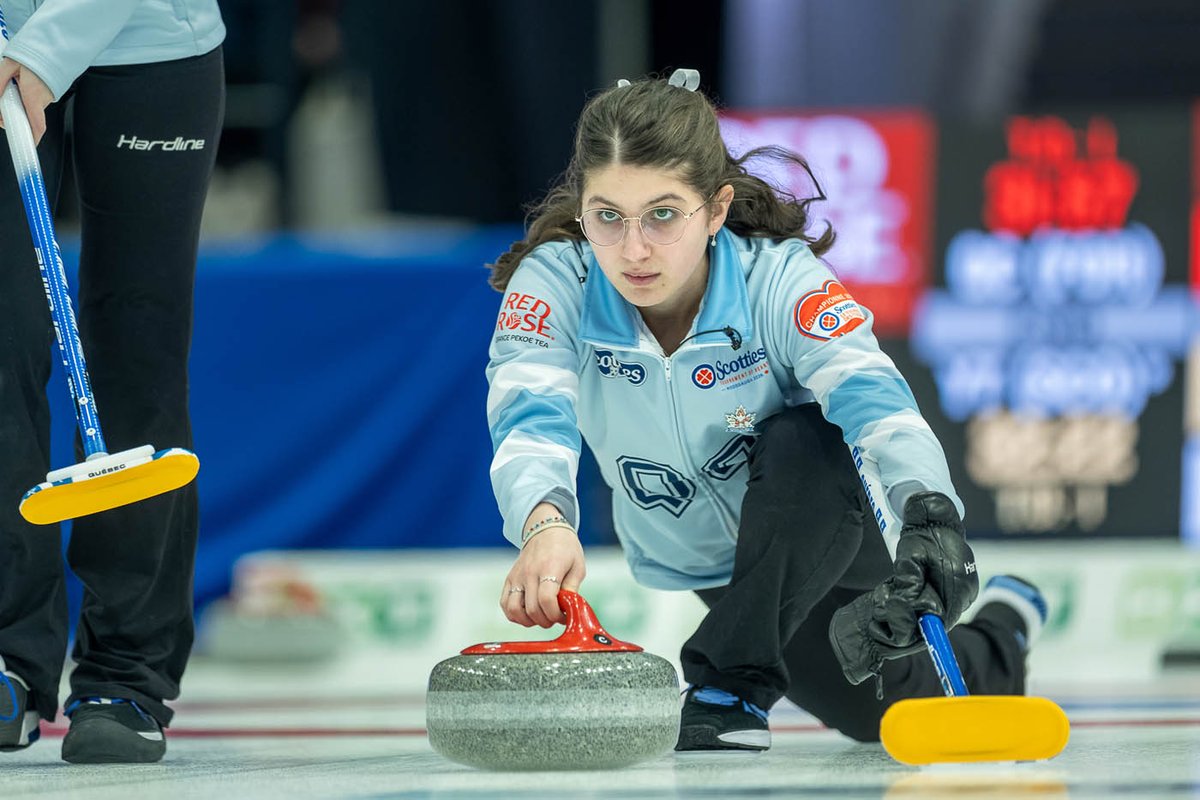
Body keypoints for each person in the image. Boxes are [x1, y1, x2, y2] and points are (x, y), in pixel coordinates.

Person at [485, 69, 1048, 752]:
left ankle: (731, 683)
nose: (633, 249)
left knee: (801, 435)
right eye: (608, 216)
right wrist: (543, 521)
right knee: (881, 716)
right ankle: (1008, 625)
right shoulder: (557, 281)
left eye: (663, 214)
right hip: (716, 563)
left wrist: (928, 515)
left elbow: (870, 395)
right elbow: (528, 406)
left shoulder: (777, 279)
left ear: (716, 210)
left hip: (825, 516)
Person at [0, 0, 224, 764]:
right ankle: (7, 657)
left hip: (152, 45)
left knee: (138, 355)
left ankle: (125, 673)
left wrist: (43, 54)